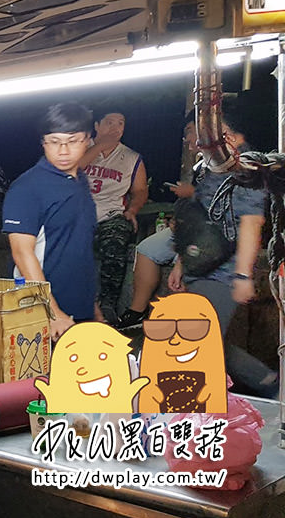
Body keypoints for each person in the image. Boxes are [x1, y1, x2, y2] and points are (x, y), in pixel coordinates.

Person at [115, 112, 277, 397]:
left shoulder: (247, 168)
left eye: (204, 135)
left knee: (196, 339)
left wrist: (242, 274)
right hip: (199, 267)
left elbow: (252, 223)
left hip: (224, 272)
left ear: (227, 134)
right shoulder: (211, 168)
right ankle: (269, 383)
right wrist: (180, 263)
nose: (199, 143)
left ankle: (270, 384)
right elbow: (196, 220)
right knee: (204, 340)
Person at [4, 103, 97, 339]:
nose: (63, 151)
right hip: (40, 313)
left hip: (78, 307)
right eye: (54, 142)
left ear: (88, 139)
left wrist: (93, 306)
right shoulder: (27, 188)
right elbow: (22, 253)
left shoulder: (79, 181)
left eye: (73, 140)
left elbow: (79, 247)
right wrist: (53, 312)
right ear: (43, 142)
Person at [80, 108, 149, 322]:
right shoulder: (80, 147)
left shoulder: (131, 157)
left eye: (121, 123)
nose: (116, 127)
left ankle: (108, 304)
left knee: (118, 235)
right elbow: (72, 170)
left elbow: (140, 190)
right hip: (77, 214)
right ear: (97, 126)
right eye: (109, 122)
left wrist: (132, 210)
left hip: (110, 215)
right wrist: (101, 145)